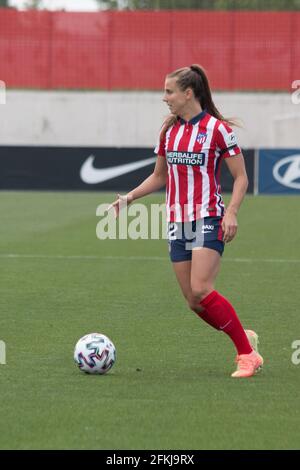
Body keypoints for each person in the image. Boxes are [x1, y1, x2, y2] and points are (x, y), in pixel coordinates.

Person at [108, 64, 263, 378]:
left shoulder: (217, 130)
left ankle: (247, 355)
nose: (164, 97)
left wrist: (231, 212)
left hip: (208, 217)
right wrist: (129, 198)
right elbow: (158, 177)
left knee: (202, 288)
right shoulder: (169, 129)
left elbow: (241, 178)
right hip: (177, 222)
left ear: (188, 93)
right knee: (194, 301)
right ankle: (242, 336)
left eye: (169, 91)